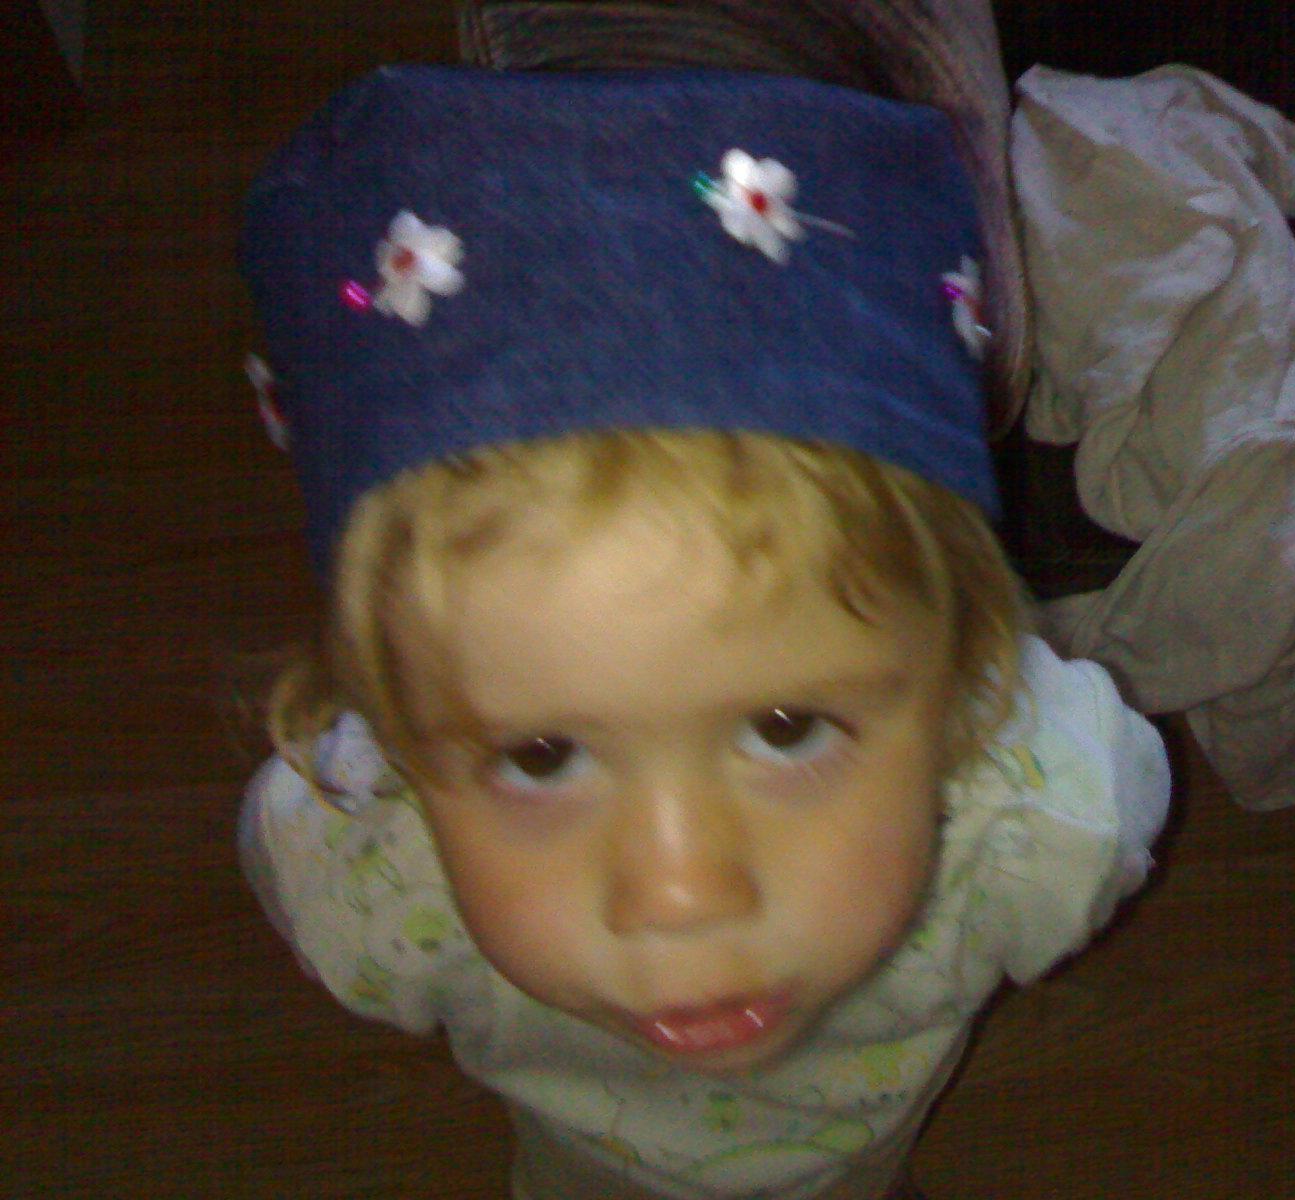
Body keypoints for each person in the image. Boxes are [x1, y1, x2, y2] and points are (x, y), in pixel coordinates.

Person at [236, 64, 1170, 1200]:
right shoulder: (368, 878)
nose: (680, 894)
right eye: (541, 755)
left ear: (964, 674)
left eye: (785, 728)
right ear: (392, 725)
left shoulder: (1042, 824)